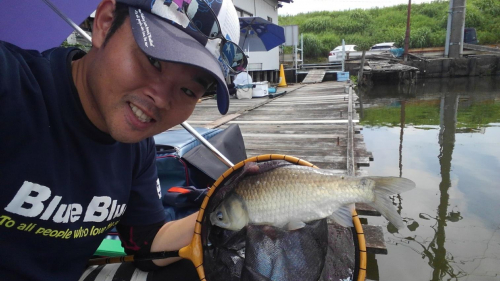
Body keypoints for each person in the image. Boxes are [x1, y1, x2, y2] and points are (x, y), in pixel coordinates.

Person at [0, 0, 246, 280]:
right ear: (104, 23)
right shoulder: (12, 86)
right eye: (153, 60)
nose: (162, 99)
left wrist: (233, 202)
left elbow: (148, 243)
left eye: (188, 90)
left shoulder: (137, 147)